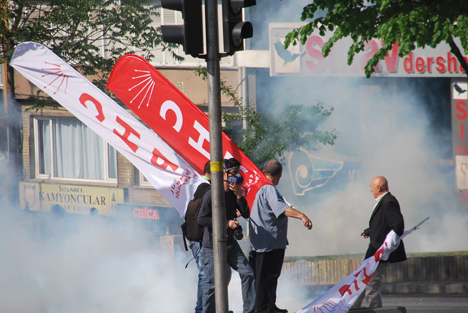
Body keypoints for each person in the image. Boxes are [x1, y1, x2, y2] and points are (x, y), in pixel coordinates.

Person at [249, 160, 313, 313]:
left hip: (259, 242)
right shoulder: (269, 189)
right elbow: (281, 209)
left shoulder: (257, 186)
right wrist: (302, 216)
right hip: (270, 243)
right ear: (280, 174)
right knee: (269, 276)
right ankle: (266, 308)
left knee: (263, 277)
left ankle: (265, 306)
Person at [198, 158, 255, 313]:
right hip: (212, 246)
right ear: (224, 174)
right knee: (212, 284)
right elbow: (201, 218)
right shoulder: (211, 194)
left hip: (229, 242)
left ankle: (249, 310)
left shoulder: (232, 193)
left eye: (238, 172)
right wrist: (226, 222)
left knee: (248, 273)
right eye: (234, 172)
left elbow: (246, 213)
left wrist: (239, 196)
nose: (237, 175)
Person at [353, 176, 406, 308]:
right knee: (360, 280)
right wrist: (369, 231)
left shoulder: (389, 201)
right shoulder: (383, 201)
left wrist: (387, 246)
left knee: (371, 285)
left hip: (380, 252)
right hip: (373, 250)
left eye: (371, 187)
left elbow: (398, 225)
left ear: (379, 187)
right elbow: (383, 224)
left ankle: (375, 310)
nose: (370, 190)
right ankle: (353, 308)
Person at [189, 161, 212, 313]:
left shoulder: (196, 183)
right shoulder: (206, 188)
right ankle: (201, 310)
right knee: (205, 274)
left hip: (195, 237)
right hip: (200, 239)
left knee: (207, 274)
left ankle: (205, 308)